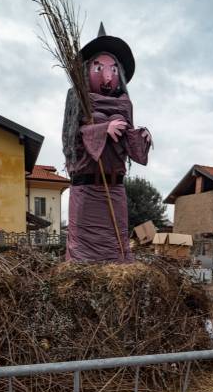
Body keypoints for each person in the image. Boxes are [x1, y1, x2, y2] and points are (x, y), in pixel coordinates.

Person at [63, 24, 152, 263]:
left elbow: (131, 149)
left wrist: (141, 137)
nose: (107, 76)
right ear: (87, 70)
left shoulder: (125, 105)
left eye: (113, 69)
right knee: (84, 258)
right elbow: (72, 141)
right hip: (87, 190)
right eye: (99, 67)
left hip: (114, 190)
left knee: (117, 251)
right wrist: (102, 129)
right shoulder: (77, 99)